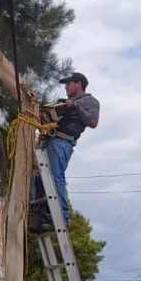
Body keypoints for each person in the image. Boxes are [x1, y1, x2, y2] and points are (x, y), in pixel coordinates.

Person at [30, 72, 100, 232]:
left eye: (69, 83)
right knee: (39, 179)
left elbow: (93, 122)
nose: (66, 87)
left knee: (55, 178)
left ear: (79, 84)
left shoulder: (90, 101)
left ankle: (62, 217)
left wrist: (74, 106)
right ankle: (44, 217)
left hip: (62, 143)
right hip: (49, 141)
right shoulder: (65, 102)